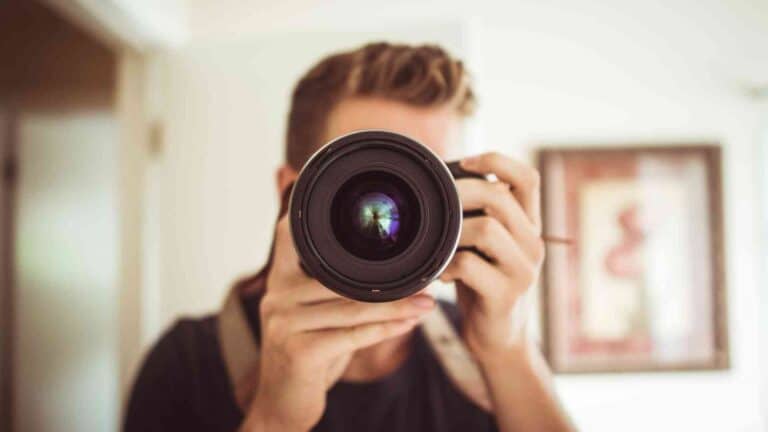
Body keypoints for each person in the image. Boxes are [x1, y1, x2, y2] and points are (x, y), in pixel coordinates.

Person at [124, 42, 575, 432]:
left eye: (428, 178)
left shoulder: (486, 346)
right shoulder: (188, 363)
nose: (407, 213)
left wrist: (506, 349)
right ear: (291, 193)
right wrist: (276, 419)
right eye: (368, 170)